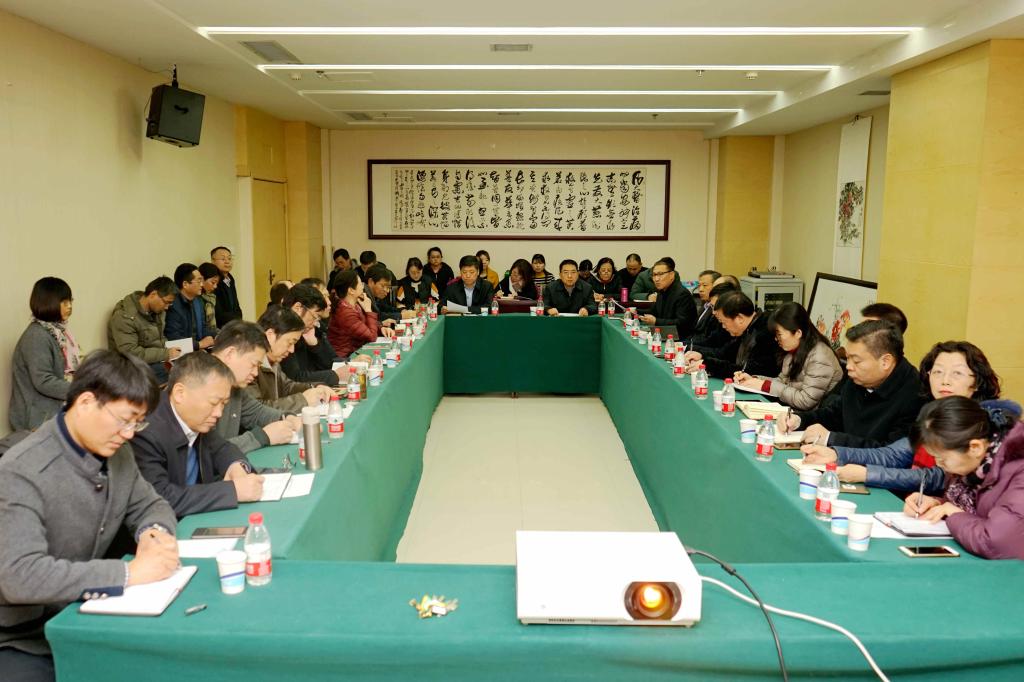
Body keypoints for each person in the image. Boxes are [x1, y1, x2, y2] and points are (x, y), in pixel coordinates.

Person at [0, 350, 178, 676]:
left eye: (138, 423)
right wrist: (128, 574)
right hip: (21, 636)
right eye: (124, 420)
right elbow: (20, 576)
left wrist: (154, 534)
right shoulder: (20, 471)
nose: (129, 433)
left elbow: (151, 505)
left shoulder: (118, 452)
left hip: (83, 610)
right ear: (85, 403)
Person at [802, 340, 1010, 493]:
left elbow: (939, 477)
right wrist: (837, 454)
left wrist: (867, 474)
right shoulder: (932, 412)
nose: (944, 381)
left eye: (957, 374)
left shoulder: (981, 422)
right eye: (937, 372)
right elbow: (894, 454)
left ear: (976, 382)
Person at [132, 352, 264, 517]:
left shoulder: (196, 418)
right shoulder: (145, 430)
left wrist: (236, 466)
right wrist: (232, 491)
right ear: (180, 393)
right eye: (214, 403)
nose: (219, 413)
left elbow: (222, 448)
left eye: (223, 404)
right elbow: (159, 497)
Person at [901, 397, 1024, 560]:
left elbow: (996, 542)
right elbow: (975, 509)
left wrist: (953, 513)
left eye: (942, 459)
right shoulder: (974, 466)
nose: (938, 464)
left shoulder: (1019, 470)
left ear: (975, 447)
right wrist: (937, 504)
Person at [778, 320, 926, 448]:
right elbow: (834, 414)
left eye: (856, 361)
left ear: (885, 362)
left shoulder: (915, 396)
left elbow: (891, 453)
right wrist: (799, 420)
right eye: (847, 358)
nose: (848, 366)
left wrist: (831, 439)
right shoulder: (859, 379)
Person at [210, 321, 301, 454]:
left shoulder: (234, 386)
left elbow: (257, 413)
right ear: (230, 354)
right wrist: (263, 436)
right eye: (253, 364)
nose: (256, 373)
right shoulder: (198, 387)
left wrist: (287, 418)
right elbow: (208, 451)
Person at [733, 302, 843, 410]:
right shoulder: (794, 350)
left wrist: (765, 385)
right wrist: (754, 380)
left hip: (811, 417)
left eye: (779, 334)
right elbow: (782, 381)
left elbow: (805, 401)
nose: (776, 339)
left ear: (798, 333)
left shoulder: (820, 356)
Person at [9, 277, 81, 432]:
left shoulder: (59, 333)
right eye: (64, 302)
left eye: (70, 301)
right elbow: (44, 381)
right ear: (48, 302)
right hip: (37, 420)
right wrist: (81, 389)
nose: (69, 306)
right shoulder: (37, 336)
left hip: (54, 413)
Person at [251, 306, 334, 413]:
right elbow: (257, 410)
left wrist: (315, 387)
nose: (292, 350)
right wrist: (303, 400)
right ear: (270, 335)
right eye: (290, 343)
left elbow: (287, 387)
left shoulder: (273, 360)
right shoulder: (248, 366)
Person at [684, 291, 780, 379]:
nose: (723, 326)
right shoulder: (747, 328)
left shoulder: (765, 333)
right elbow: (725, 353)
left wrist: (708, 365)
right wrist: (701, 356)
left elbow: (749, 370)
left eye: (723, 322)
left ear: (740, 318)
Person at [108, 276, 180, 383]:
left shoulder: (157, 311)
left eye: (170, 303)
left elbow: (160, 338)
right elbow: (130, 353)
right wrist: (165, 354)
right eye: (166, 302)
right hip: (130, 367)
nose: (166, 307)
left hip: (154, 361)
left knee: (186, 365)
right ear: (153, 294)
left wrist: (171, 352)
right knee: (176, 374)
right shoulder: (124, 317)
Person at [279, 283, 342, 387]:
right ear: (298, 308)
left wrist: (315, 345)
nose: (315, 323)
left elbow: (330, 363)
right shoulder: (281, 331)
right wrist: (335, 375)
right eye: (314, 316)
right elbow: (295, 378)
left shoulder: (307, 330)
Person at [328, 270, 394, 360]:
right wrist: (368, 311)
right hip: (345, 358)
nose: (363, 286)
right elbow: (371, 337)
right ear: (351, 290)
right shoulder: (345, 312)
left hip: (356, 351)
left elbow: (363, 327)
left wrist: (381, 328)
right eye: (360, 283)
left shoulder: (354, 305)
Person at [639, 259, 699, 337]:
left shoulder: (682, 294)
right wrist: (635, 311)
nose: (656, 279)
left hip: (681, 338)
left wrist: (656, 321)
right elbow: (654, 311)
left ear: (671, 275)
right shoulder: (662, 291)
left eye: (660, 274)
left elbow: (682, 323)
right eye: (654, 275)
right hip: (665, 334)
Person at [165, 263, 215, 351]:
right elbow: (173, 338)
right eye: (199, 281)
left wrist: (215, 336)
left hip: (198, 349)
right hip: (184, 352)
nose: (202, 285)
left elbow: (203, 328)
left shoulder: (198, 301)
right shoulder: (173, 305)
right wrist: (199, 345)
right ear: (185, 284)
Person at [211, 246, 243, 327]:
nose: (227, 262)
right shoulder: (213, 281)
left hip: (233, 323)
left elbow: (236, 305)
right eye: (223, 259)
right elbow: (218, 312)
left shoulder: (230, 278)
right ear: (213, 261)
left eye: (229, 258)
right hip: (221, 326)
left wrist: (239, 320)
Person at [197, 262, 221, 338]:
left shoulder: (212, 298)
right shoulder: (197, 299)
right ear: (202, 279)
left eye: (217, 283)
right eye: (213, 282)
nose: (215, 286)